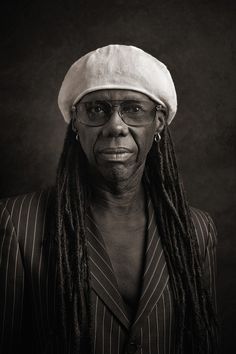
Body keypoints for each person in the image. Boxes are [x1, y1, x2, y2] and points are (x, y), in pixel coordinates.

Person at [0, 44, 218, 354]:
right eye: (97, 109)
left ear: (159, 122)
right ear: (75, 122)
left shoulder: (195, 230)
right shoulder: (17, 224)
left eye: (134, 108)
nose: (115, 126)